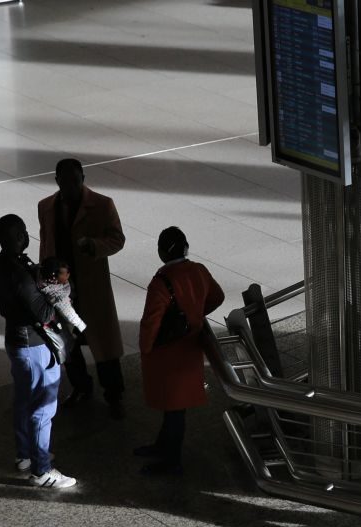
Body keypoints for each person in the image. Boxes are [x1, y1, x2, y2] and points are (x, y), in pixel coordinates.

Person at [0, 213, 76, 489]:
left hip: (15, 341)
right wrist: (62, 288)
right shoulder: (20, 275)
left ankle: (25, 454)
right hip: (34, 345)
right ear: (13, 238)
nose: (26, 237)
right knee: (43, 406)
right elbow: (45, 313)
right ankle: (42, 470)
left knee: (24, 399)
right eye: (21, 233)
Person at [38, 157, 127, 419]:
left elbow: (117, 239)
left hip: (92, 288)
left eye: (75, 181)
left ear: (83, 180)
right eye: (65, 182)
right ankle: (81, 387)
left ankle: (114, 395)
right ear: (57, 181)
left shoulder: (102, 205)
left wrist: (95, 246)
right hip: (62, 290)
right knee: (69, 345)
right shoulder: (46, 207)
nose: (70, 187)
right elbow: (46, 244)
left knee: (105, 349)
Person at [135, 227, 225, 475]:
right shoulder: (199, 270)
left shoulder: (162, 281)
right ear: (186, 247)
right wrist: (195, 315)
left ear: (162, 252)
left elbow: (151, 321)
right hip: (190, 348)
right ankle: (163, 447)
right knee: (175, 406)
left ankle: (171, 461)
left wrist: (145, 348)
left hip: (167, 353)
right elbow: (217, 297)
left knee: (174, 409)